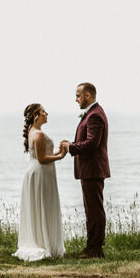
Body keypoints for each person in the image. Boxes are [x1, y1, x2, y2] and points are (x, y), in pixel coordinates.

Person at [61, 82, 109, 258]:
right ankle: (92, 246)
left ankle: (96, 248)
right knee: (91, 209)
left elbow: (92, 143)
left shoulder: (95, 115)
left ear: (88, 95)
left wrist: (71, 146)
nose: (76, 99)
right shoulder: (92, 113)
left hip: (93, 169)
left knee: (94, 209)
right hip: (90, 169)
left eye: (78, 96)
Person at [14, 103, 66, 261]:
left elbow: (41, 154)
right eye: (43, 111)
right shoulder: (39, 134)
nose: (47, 113)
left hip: (36, 172)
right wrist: (61, 156)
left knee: (40, 206)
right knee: (44, 206)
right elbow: (43, 159)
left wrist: (58, 151)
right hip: (41, 173)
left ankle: (41, 239)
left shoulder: (33, 132)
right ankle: (43, 242)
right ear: (36, 115)